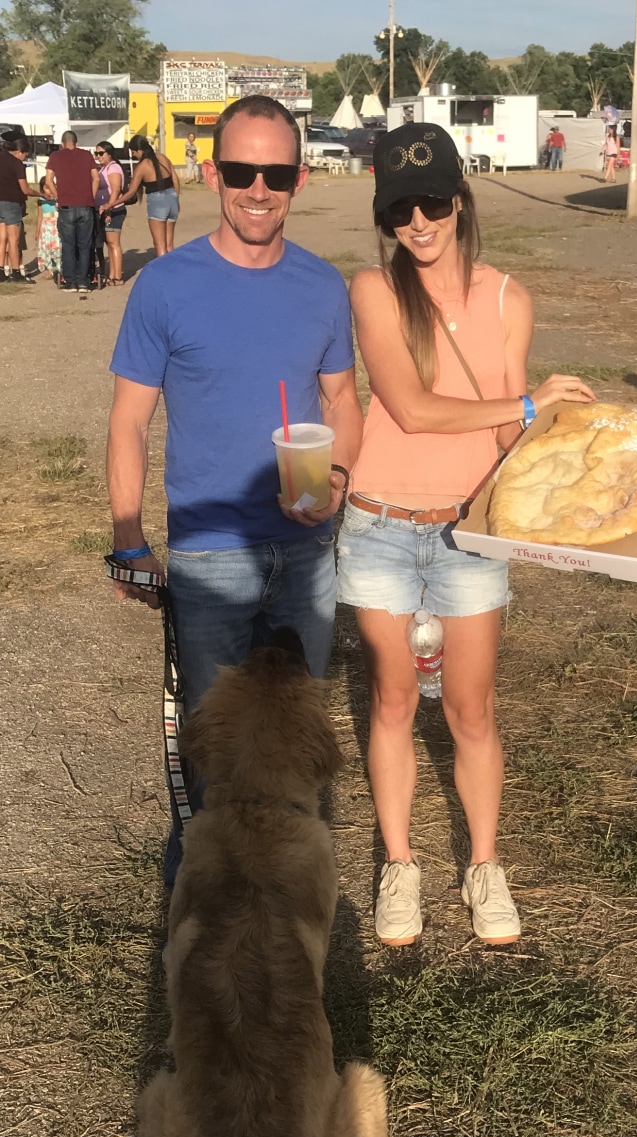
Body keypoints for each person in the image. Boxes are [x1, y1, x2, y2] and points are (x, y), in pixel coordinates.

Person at [339, 122, 595, 946]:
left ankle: (484, 865)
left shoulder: (509, 299)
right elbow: (409, 407)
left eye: (432, 202)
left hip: (469, 536)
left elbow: (503, 440)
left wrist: (562, 450)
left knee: (472, 709)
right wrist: (523, 407)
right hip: (379, 523)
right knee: (392, 698)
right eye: (398, 208)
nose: (417, 222)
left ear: (460, 198)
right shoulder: (373, 292)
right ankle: (402, 864)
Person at [106, 95, 363, 885]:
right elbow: (128, 422)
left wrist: (339, 482)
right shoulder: (166, 286)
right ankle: (207, 891)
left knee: (294, 736)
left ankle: (291, 888)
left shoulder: (324, 286)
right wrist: (128, 539)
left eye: (276, 173)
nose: (259, 189)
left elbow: (343, 404)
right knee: (212, 744)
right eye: (243, 171)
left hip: (306, 551)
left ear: (300, 178)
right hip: (210, 555)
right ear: (213, 173)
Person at [43, 129, 99, 293]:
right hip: (85, 206)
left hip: (66, 206)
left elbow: (48, 180)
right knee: (84, 245)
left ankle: (71, 281)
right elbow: (96, 178)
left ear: (62, 143)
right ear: (76, 143)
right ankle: (83, 282)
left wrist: (57, 196)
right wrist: (91, 196)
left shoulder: (55, 157)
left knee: (68, 245)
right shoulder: (87, 155)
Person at [113, 135, 180, 257]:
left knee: (160, 245)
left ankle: (163, 273)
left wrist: (112, 204)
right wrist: (176, 199)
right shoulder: (162, 158)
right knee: (169, 245)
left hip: (157, 201)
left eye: (133, 152)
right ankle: (173, 271)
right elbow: (175, 179)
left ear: (139, 150)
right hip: (172, 198)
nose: (134, 155)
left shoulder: (142, 166)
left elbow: (131, 192)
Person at [0, 132, 37, 283]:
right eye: (25, 154)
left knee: (2, 239)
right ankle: (16, 272)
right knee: (13, 240)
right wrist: (40, 194)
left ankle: (1, 270)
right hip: (12, 202)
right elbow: (25, 189)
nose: (25, 158)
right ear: (19, 151)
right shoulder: (16, 164)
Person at [94, 140, 126, 286]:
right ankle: (113, 274)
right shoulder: (103, 169)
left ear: (109, 153)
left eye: (101, 153)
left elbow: (116, 190)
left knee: (114, 243)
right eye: (96, 153)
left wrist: (109, 208)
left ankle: (117, 276)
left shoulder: (113, 168)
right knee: (109, 243)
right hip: (106, 209)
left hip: (114, 209)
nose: (98, 156)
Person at [35, 177, 61, 281]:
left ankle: (60, 269)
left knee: (58, 247)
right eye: (46, 188)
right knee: (46, 248)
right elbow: (40, 216)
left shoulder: (58, 199)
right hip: (46, 227)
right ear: (42, 189)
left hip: (57, 225)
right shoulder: (41, 201)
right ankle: (49, 270)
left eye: (51, 187)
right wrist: (37, 231)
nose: (49, 190)